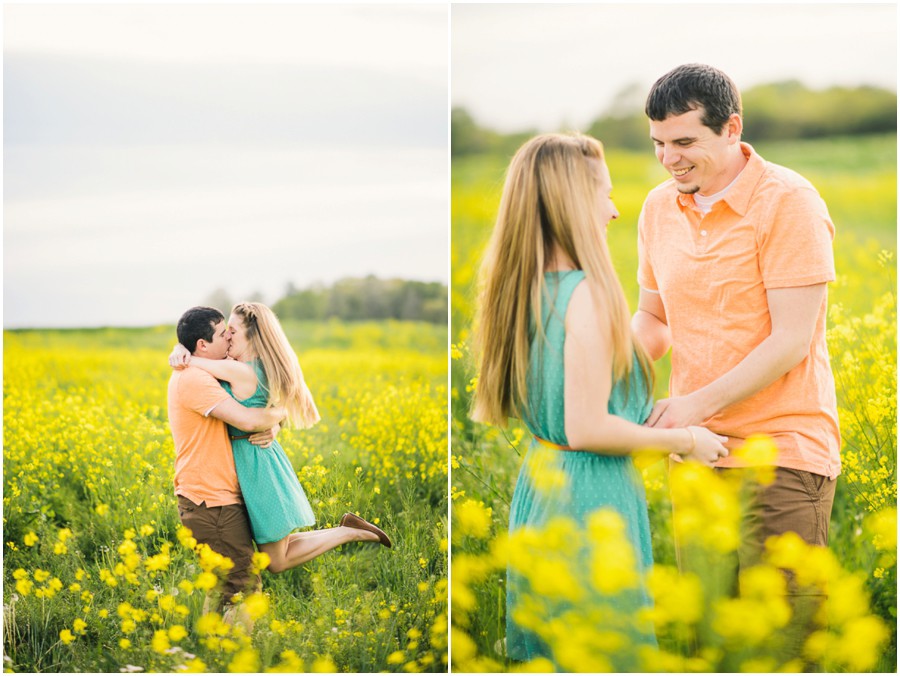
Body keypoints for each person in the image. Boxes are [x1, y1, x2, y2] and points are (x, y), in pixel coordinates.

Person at [470, 133, 728, 669]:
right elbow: (586, 427)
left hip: (544, 485)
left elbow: (583, 395)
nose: (613, 211)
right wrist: (685, 439)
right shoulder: (582, 293)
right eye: (604, 196)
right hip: (589, 500)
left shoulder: (526, 288)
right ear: (571, 202)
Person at [633, 63, 841, 658]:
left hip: (782, 451)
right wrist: (604, 369)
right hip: (694, 453)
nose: (669, 159)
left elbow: (791, 340)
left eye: (684, 143)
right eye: (658, 144)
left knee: (783, 645)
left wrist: (690, 407)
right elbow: (654, 320)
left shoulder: (788, 202)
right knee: (709, 644)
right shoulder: (657, 209)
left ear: (731, 128)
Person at [168, 306, 390, 611]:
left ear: (253, 337)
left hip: (257, 466)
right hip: (252, 465)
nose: (228, 336)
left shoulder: (238, 369)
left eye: (232, 331)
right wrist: (184, 343)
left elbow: (243, 415)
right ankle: (347, 530)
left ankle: (347, 531)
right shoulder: (235, 365)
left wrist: (184, 352)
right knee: (275, 556)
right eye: (225, 332)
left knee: (275, 559)